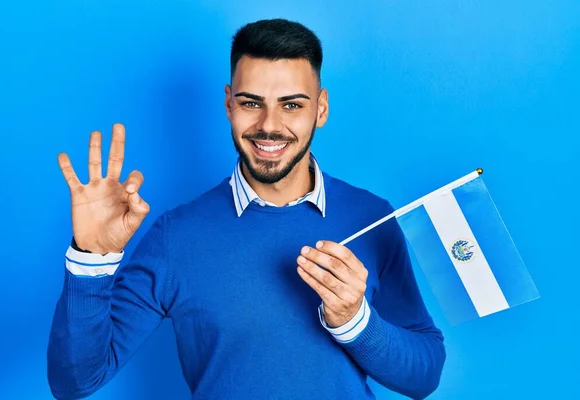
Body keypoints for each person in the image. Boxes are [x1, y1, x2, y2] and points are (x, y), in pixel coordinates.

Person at [47, 18, 446, 400]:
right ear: (228, 104)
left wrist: (356, 321)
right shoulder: (176, 236)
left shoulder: (373, 218)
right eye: (252, 103)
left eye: (291, 105)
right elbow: (76, 381)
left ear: (321, 109)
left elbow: (425, 376)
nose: (269, 125)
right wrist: (91, 259)